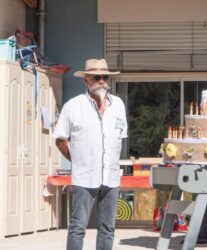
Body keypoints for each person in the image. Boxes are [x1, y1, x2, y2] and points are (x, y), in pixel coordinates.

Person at [53, 58, 127, 250]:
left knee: (108, 228)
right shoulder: (73, 106)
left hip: (111, 176)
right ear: (86, 80)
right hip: (84, 176)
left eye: (105, 77)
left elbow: (120, 137)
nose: (102, 81)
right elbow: (60, 139)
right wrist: (78, 161)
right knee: (78, 227)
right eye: (97, 77)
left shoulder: (118, 105)